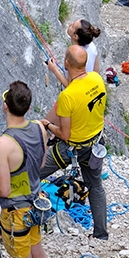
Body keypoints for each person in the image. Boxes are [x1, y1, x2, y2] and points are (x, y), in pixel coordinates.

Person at [0, 81, 49, 258]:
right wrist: (1, 168)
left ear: (5, 105)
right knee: (37, 251)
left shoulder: (1, 144)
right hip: (35, 203)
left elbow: (3, 190)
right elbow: (39, 164)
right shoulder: (39, 128)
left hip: (16, 212)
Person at [41, 45, 109, 240]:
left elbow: (64, 133)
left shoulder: (67, 97)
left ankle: (24, 223)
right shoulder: (96, 79)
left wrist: (47, 125)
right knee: (95, 186)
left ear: (67, 63)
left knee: (32, 174)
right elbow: (76, 85)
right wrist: (56, 71)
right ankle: (101, 235)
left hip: (71, 148)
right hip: (95, 143)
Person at [46, 20, 102, 88]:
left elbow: (70, 86)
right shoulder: (92, 46)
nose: (70, 24)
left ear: (75, 36)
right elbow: (97, 71)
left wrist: (54, 69)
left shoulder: (73, 56)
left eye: (72, 26)